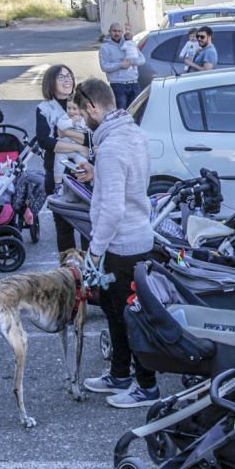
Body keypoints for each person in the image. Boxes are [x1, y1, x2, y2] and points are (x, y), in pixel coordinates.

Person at [70, 79, 160, 409]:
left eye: (81, 112)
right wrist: (98, 173)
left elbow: (111, 210)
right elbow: (133, 181)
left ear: (94, 108)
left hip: (122, 246)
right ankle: (119, 373)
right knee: (113, 310)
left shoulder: (110, 148)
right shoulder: (132, 133)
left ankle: (147, 386)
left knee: (129, 317)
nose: (81, 120)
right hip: (135, 238)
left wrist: (94, 253)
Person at [36, 64, 92, 253]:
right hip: (57, 171)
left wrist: (68, 137)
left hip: (84, 171)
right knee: (63, 225)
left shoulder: (82, 102)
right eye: (61, 77)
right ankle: (69, 272)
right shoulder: (44, 108)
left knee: (88, 222)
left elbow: (92, 134)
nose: (67, 80)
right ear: (51, 82)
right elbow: (45, 140)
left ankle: (89, 271)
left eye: (69, 75)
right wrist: (79, 146)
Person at [99, 22, 143, 110]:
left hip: (134, 84)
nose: (117, 33)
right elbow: (104, 66)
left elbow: (142, 60)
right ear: (110, 32)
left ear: (122, 32)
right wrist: (120, 65)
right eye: (114, 31)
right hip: (118, 86)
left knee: (137, 113)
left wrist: (130, 61)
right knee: (121, 114)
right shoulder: (105, 47)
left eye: (119, 31)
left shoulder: (129, 44)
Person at [52, 99, 88, 193]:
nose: (71, 111)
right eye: (69, 108)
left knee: (83, 164)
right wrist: (71, 122)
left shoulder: (84, 119)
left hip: (78, 151)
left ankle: (82, 183)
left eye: (74, 109)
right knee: (58, 162)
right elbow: (61, 126)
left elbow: (88, 131)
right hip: (65, 148)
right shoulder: (65, 117)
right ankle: (58, 185)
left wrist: (81, 122)